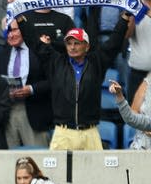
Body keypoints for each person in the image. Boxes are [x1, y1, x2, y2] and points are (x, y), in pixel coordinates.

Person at [17, 10, 131, 151]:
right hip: (62, 132)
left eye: (77, 43)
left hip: (90, 131)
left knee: (95, 173)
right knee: (57, 173)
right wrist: (21, 20)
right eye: (69, 43)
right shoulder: (56, 62)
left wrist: (125, 17)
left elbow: (114, 42)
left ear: (87, 46)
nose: (72, 47)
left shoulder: (97, 62)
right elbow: (34, 42)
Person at [0, 19, 51, 148]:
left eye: (14, 30)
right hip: (8, 110)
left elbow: (53, 80)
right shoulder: (2, 53)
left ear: (24, 28)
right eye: (7, 32)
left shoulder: (39, 49)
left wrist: (32, 89)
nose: (10, 35)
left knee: (38, 159)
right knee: (10, 161)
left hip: (34, 110)